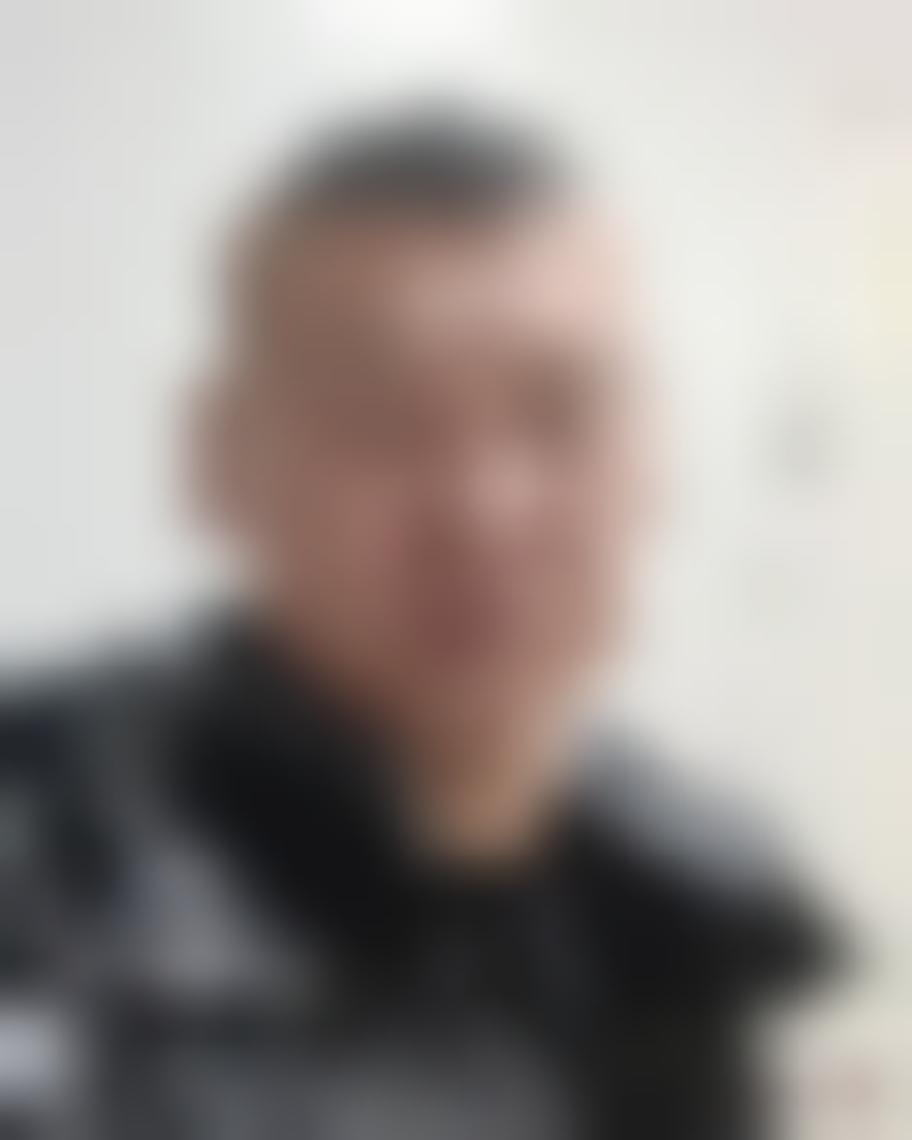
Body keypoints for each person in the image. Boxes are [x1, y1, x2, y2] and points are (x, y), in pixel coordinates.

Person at [0, 112, 837, 1140]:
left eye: (558, 414)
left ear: (653, 467)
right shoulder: (41, 865)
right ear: (221, 459)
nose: (486, 510)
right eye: (382, 419)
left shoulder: (683, 898)